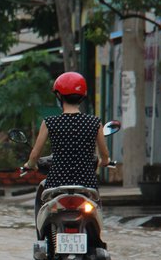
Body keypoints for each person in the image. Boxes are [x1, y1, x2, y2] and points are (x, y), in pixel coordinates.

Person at [23, 72, 110, 213]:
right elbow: (104, 155)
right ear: (83, 96)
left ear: (58, 95)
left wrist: (30, 165)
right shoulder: (95, 122)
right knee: (96, 209)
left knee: (45, 210)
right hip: (87, 183)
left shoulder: (50, 122)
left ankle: (42, 234)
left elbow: (35, 155)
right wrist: (104, 161)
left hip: (56, 182)